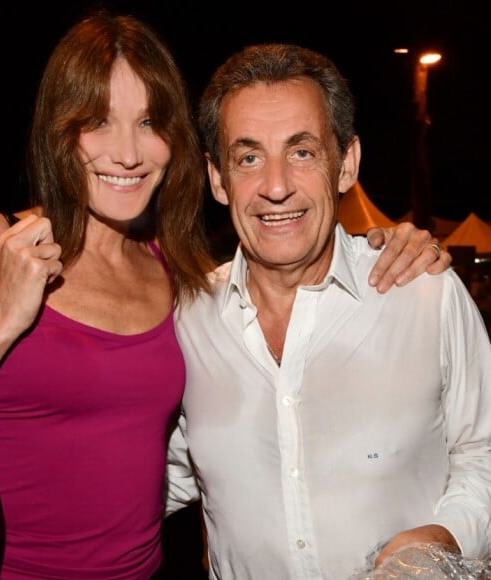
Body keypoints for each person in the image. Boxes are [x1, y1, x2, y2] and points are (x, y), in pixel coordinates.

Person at [0, 9, 449, 580]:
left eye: (149, 122)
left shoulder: (177, 275)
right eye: (98, 121)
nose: (128, 153)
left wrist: (391, 246)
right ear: (60, 130)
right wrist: (0, 320)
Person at [167, 42, 491, 580]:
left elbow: (485, 448)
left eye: (302, 152)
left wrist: (447, 535)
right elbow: (158, 475)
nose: (276, 187)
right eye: (248, 157)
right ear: (218, 179)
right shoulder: (187, 323)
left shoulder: (424, 295)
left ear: (347, 164)